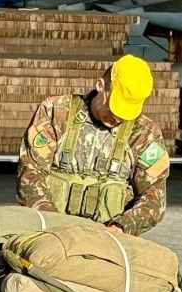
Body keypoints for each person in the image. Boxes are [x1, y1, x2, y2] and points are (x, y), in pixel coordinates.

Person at [17, 54, 169, 236]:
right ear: (100, 85)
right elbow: (30, 173)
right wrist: (52, 225)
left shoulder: (144, 133)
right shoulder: (56, 112)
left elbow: (154, 197)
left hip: (108, 236)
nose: (117, 118)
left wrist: (121, 227)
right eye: (114, 107)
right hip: (51, 230)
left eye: (126, 113)